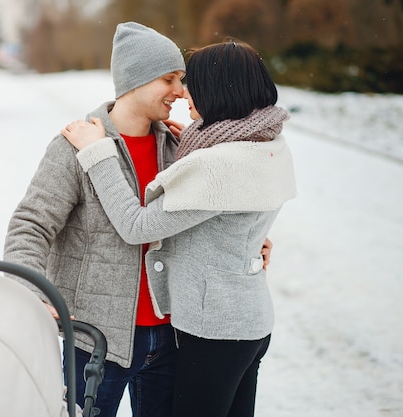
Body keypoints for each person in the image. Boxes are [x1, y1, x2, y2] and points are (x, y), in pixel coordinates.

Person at [61, 40, 296, 417]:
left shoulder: (217, 164)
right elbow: (236, 209)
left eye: (192, 81)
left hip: (215, 330)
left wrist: (98, 153)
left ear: (217, 89)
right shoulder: (268, 142)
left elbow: (136, 226)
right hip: (250, 322)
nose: (184, 92)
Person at [3, 21, 187, 417]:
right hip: (95, 340)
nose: (180, 91)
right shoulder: (75, 145)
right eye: (170, 79)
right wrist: (31, 291)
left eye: (182, 79)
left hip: (169, 335)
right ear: (136, 79)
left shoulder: (174, 147)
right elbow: (30, 225)